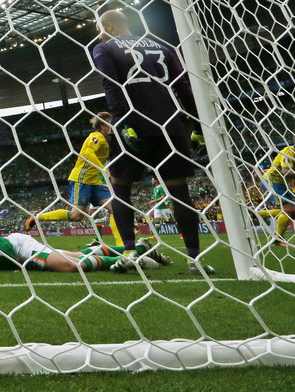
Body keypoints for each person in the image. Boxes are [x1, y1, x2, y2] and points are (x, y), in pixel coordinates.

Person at [92, 10, 214, 275]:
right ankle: (195, 258)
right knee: (179, 192)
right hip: (170, 125)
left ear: (109, 26)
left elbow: (112, 86)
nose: (97, 33)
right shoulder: (161, 46)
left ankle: (129, 252)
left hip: (134, 126)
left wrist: (123, 123)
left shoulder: (104, 47)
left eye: (98, 27)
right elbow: (183, 85)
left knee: (120, 189)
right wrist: (196, 123)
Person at [24, 112, 123, 246]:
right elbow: (88, 153)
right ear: (103, 126)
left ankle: (121, 246)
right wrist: (103, 169)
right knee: (77, 216)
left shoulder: (109, 140)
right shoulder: (96, 137)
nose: (113, 125)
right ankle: (38, 217)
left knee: (116, 208)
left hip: (95, 181)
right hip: (81, 179)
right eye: (110, 123)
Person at [0, 228, 170, 274]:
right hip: (16, 251)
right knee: (79, 257)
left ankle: (132, 258)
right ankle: (140, 250)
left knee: (71, 267)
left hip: (20, 249)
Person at [258, 132, 295, 245]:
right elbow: (285, 171)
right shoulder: (288, 152)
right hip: (271, 181)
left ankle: (278, 238)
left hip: (281, 184)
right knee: (291, 210)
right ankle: (258, 214)